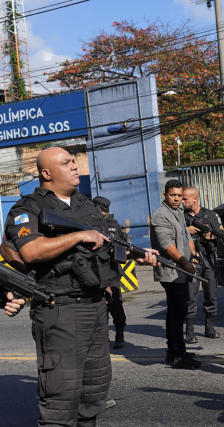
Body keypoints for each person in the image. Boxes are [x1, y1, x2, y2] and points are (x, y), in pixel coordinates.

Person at [3, 146, 157, 426]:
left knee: (94, 393)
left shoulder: (86, 205)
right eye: (66, 162)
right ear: (46, 173)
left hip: (97, 308)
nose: (75, 166)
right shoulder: (28, 207)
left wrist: (139, 254)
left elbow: (107, 243)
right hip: (59, 310)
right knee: (61, 400)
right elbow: (31, 251)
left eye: (74, 160)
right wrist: (78, 237)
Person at [150, 179, 201, 369]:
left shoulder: (178, 212)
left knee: (178, 311)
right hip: (172, 270)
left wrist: (192, 253)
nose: (177, 199)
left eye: (180, 196)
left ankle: (176, 351)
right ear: (165, 195)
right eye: (173, 195)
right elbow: (166, 245)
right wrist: (185, 262)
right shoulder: (161, 216)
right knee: (176, 312)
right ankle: (177, 354)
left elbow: (186, 236)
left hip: (181, 268)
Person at [182, 186, 222, 342]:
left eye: (185, 199)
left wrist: (210, 236)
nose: (182, 202)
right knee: (190, 296)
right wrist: (186, 230)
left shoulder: (210, 215)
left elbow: (221, 235)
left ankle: (209, 327)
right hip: (192, 260)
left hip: (209, 258)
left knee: (211, 294)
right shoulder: (181, 217)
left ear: (195, 199)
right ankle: (189, 331)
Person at [93, 196, 128, 349]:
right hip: (100, 271)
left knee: (113, 305)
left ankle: (118, 335)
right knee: (105, 307)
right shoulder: (112, 224)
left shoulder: (110, 225)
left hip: (109, 271)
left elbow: (122, 246)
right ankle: (108, 337)